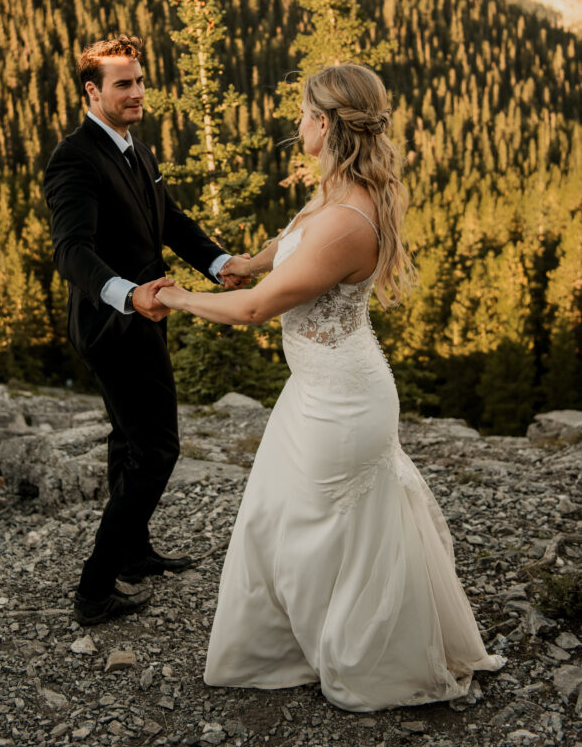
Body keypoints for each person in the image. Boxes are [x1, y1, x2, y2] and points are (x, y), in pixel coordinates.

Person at [155, 64, 505, 711]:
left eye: (302, 114)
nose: (296, 124)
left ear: (324, 124)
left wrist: (178, 297)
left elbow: (257, 311)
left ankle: (356, 654)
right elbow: (290, 244)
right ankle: (298, 644)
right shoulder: (334, 192)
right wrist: (243, 263)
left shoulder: (349, 219)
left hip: (342, 399)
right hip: (316, 387)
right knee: (281, 518)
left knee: (320, 530)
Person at [43, 35, 249, 627]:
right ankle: (93, 589)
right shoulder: (74, 158)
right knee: (157, 449)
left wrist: (218, 263)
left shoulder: (134, 147)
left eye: (139, 80)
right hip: (113, 323)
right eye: (123, 84)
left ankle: (132, 553)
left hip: (146, 310)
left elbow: (169, 219)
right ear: (92, 91)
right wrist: (127, 295)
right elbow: (72, 253)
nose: (137, 93)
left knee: (128, 441)